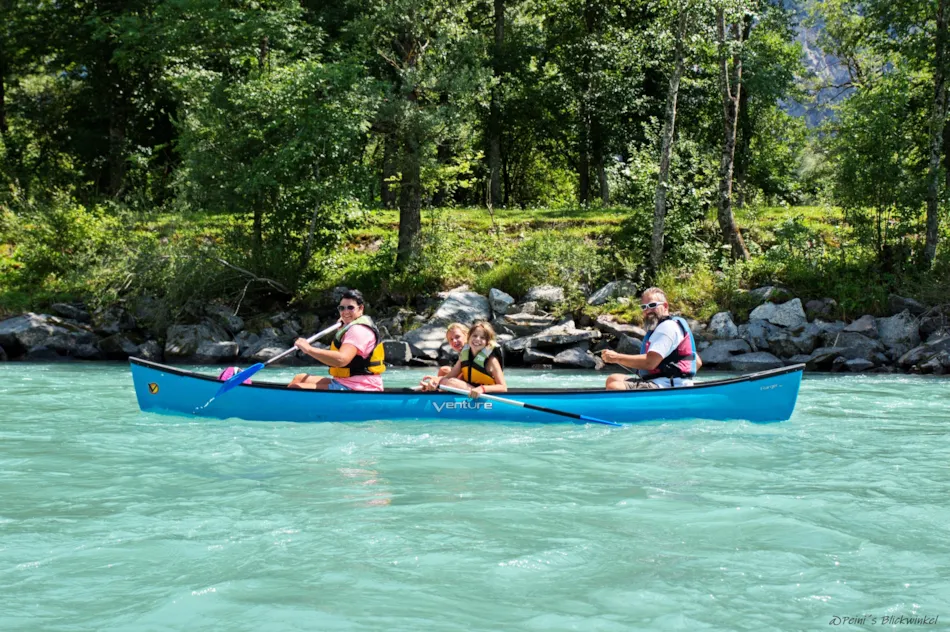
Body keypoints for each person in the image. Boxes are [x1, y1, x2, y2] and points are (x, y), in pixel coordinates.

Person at [601, 287, 702, 390]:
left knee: (614, 386)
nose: (648, 310)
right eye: (644, 307)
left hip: (668, 385)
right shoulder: (666, 326)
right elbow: (697, 362)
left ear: (665, 306)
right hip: (665, 382)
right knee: (613, 378)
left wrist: (617, 357)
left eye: (652, 305)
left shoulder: (667, 327)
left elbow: (650, 362)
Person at [288, 289, 385, 391]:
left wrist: (309, 349)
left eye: (350, 308)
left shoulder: (358, 330)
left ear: (360, 308)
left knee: (296, 388)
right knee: (299, 379)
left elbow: (341, 360)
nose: (345, 311)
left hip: (359, 387)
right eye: (342, 308)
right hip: (345, 381)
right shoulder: (349, 327)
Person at [419, 321, 506, 398]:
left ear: (487, 342)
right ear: (469, 338)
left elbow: (503, 387)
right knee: (445, 377)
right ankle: (432, 391)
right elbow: (450, 375)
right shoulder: (464, 355)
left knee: (451, 382)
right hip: (470, 388)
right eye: (474, 336)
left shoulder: (491, 361)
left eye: (482, 338)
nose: (477, 339)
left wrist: (482, 389)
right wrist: (436, 381)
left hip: (483, 393)